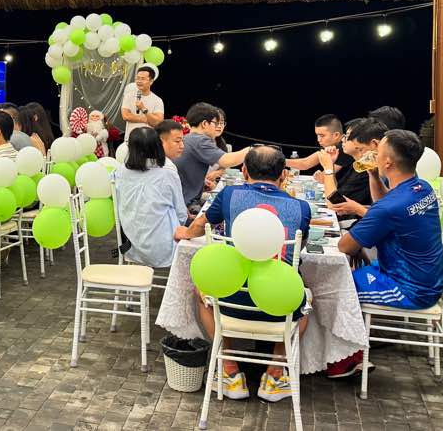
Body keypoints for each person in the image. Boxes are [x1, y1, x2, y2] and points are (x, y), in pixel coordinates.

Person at [178, 145, 310, 402]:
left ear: (244, 170)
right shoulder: (301, 207)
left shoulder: (229, 194)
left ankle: (228, 370)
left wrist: (184, 233)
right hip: (278, 305)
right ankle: (275, 372)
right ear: (284, 175)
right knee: (305, 302)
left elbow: (199, 225)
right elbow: (297, 251)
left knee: (201, 290)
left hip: (229, 301)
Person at [333, 130, 443, 378]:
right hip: (428, 281)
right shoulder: (420, 188)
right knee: (351, 271)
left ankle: (345, 360)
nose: (373, 153)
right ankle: (347, 348)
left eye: (378, 151)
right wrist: (373, 174)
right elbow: (387, 204)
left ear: (388, 162)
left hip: (408, 289)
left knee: (335, 285)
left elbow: (345, 246)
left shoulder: (391, 207)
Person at [114, 127, 187, 268]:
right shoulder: (167, 172)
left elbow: (118, 206)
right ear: (158, 146)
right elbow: (181, 213)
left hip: (131, 246)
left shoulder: (120, 171)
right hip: (164, 248)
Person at [174, 103, 249, 205]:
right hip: (187, 202)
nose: (218, 126)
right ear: (205, 124)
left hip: (182, 198)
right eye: (216, 123)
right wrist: (253, 149)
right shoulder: (200, 140)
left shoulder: (188, 138)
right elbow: (227, 161)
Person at [319, 118, 387, 220]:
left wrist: (328, 168)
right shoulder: (365, 166)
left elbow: (335, 203)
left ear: (374, 144)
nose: (343, 139)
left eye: (348, 136)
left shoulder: (375, 168)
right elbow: (380, 208)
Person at [284, 114, 350, 178]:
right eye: (317, 135)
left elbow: (324, 177)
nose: (318, 140)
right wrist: (280, 161)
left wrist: (320, 176)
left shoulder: (345, 148)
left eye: (322, 136)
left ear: (336, 135)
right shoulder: (332, 145)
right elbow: (306, 163)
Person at [120, 66, 165, 139]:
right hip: (130, 139)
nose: (139, 81)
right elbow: (126, 116)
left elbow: (158, 122)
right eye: (137, 78)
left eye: (143, 79)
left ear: (151, 81)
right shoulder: (128, 96)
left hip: (149, 140)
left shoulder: (157, 100)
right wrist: (147, 119)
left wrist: (143, 109)